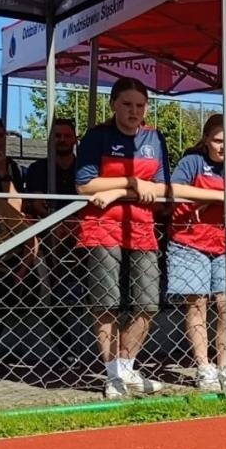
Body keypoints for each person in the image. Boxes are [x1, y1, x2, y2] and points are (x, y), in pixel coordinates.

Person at [74, 77, 170, 399]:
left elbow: (158, 186)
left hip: (142, 227)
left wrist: (119, 189)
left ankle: (126, 368)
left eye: (140, 105)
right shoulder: (97, 136)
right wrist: (129, 183)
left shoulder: (155, 138)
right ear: (113, 104)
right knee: (107, 302)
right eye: (127, 104)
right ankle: (112, 373)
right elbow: (84, 185)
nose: (134, 111)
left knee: (148, 302)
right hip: (102, 226)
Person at [166, 116, 226, 391]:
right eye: (218, 140)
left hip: (223, 243)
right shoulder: (192, 162)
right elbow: (176, 188)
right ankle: (203, 366)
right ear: (206, 139)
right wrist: (220, 197)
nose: (223, 147)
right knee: (197, 304)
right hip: (189, 241)